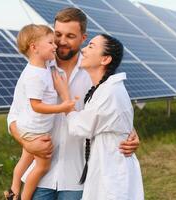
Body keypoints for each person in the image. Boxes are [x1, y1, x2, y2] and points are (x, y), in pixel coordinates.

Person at [7, 7, 140, 200]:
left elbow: (109, 112)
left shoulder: (94, 75)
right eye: (58, 34)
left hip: (77, 179)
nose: (61, 41)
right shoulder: (35, 72)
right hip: (40, 179)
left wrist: (130, 134)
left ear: (83, 38)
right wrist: (27, 142)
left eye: (70, 36)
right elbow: (14, 116)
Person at [53, 33, 144, 199]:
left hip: (111, 169)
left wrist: (65, 97)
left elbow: (81, 127)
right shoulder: (103, 89)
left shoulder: (110, 91)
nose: (84, 50)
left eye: (91, 46)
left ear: (105, 59)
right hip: (105, 165)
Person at [4, 24, 75, 200]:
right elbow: (36, 105)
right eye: (51, 42)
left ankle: (13, 188)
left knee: (26, 158)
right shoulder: (34, 75)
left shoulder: (44, 66)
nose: (56, 46)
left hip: (31, 126)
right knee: (42, 166)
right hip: (35, 130)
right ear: (34, 47)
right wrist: (62, 107)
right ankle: (24, 197)